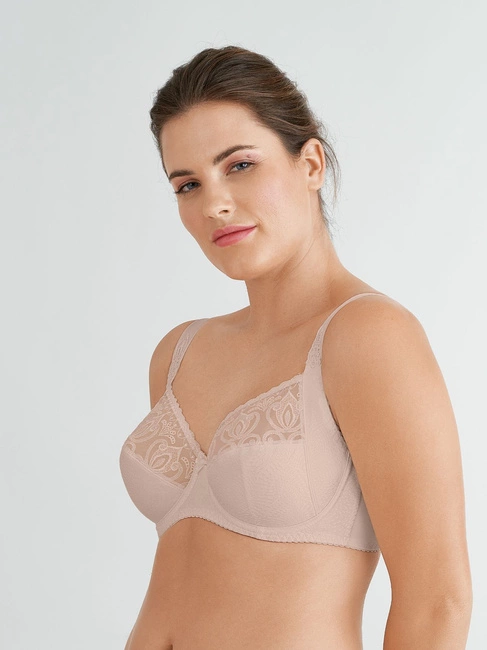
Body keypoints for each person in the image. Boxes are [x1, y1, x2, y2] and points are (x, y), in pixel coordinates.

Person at [119, 45, 472, 650]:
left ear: (310, 164)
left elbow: (438, 600)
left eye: (239, 165)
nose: (213, 203)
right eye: (187, 184)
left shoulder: (367, 336)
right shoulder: (179, 352)